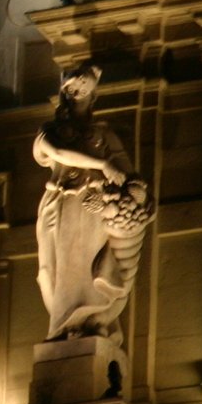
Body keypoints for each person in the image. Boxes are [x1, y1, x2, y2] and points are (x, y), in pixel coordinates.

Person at [32, 64, 152, 344]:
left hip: (95, 208)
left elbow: (127, 173)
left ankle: (92, 321)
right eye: (72, 91)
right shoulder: (49, 132)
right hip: (62, 207)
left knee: (93, 265)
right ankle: (64, 325)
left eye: (83, 91)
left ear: (93, 97)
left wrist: (137, 193)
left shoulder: (105, 136)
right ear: (63, 95)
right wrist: (102, 164)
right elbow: (59, 153)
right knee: (59, 267)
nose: (77, 96)